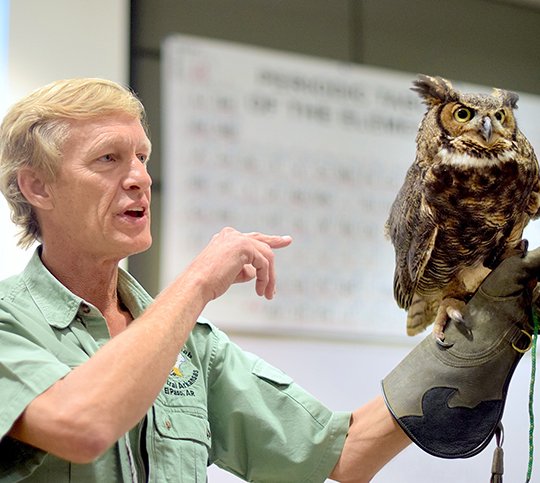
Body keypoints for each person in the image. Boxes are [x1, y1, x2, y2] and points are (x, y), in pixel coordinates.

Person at [0, 78, 536, 483]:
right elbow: (82, 423)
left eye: (142, 156)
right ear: (38, 187)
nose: (139, 176)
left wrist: (478, 337)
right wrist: (197, 283)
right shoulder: (9, 322)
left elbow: (344, 452)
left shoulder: (191, 348)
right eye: (108, 159)